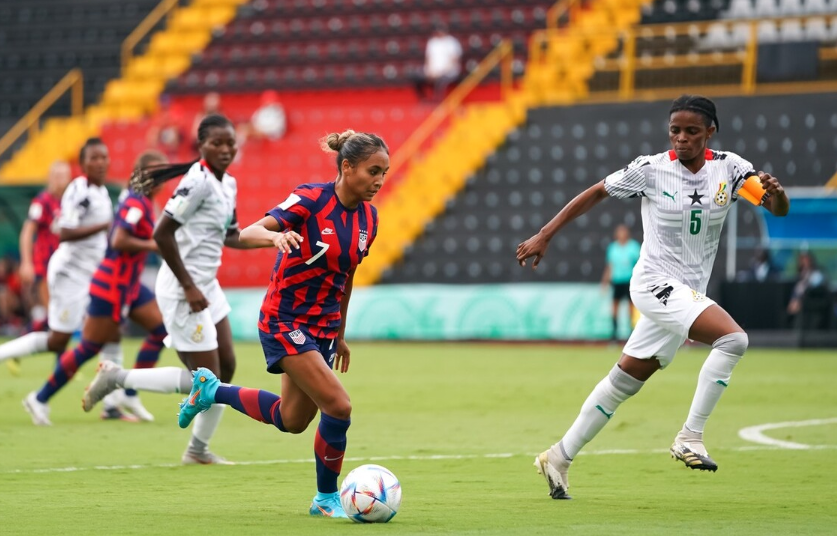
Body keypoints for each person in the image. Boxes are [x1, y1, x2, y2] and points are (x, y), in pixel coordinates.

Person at [516, 95, 789, 500]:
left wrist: (776, 192)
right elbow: (595, 192)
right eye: (675, 130)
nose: (681, 138)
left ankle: (559, 456)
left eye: (691, 131)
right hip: (654, 283)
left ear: (710, 132)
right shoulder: (651, 169)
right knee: (734, 339)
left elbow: (776, 209)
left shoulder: (730, 169)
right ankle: (690, 436)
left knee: (625, 380)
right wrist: (545, 234)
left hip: (688, 292)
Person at [176, 129, 384, 518]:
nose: (379, 181)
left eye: (384, 174)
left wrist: (339, 334)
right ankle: (325, 499)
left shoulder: (369, 220)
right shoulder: (310, 199)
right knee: (338, 406)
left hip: (322, 328)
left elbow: (348, 274)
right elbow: (248, 230)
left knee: (292, 420)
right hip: (284, 319)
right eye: (373, 171)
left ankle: (212, 389)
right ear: (347, 166)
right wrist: (275, 238)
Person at [84, 114, 253, 465]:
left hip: (207, 285)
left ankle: (197, 450)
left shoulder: (229, 183)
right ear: (201, 146)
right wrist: (189, 286)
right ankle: (117, 377)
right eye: (217, 143)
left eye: (230, 143)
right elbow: (162, 233)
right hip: (182, 288)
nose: (225, 149)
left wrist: (274, 238)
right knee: (207, 379)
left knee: (228, 368)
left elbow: (231, 234)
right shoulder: (197, 183)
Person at [23, 150, 170, 425]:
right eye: (156, 173)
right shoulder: (136, 203)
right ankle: (39, 398)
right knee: (89, 347)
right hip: (112, 284)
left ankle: (128, 393)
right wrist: (154, 245)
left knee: (161, 328)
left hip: (129, 285)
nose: (162, 179)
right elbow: (117, 239)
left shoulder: (143, 201)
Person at [0, 139, 125, 416]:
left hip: (91, 274)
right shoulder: (65, 196)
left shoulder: (100, 192)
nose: (102, 162)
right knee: (58, 337)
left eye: (105, 157)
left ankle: (113, 403)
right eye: (95, 158)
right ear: (82, 164)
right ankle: (34, 388)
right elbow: (56, 232)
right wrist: (28, 262)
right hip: (66, 273)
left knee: (112, 329)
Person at [6, 161, 71, 375]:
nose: (62, 179)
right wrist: (26, 262)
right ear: (50, 178)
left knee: (57, 316)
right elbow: (27, 231)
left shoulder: (71, 202)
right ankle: (61, 368)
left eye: (65, 175)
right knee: (57, 316)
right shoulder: (43, 201)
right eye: (58, 175)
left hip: (66, 268)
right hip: (46, 267)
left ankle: (17, 346)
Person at [601, 224, 640, 341]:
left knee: (631, 307)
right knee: (614, 307)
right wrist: (605, 281)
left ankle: (632, 332)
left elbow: (639, 264)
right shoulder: (613, 248)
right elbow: (609, 266)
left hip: (629, 281)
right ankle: (614, 333)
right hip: (617, 281)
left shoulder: (633, 247)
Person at [413, 24, 462, 101]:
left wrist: (441, 72)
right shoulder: (432, 42)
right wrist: (429, 71)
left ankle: (438, 101)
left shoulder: (452, 42)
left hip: (448, 71)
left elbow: (454, 60)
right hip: (433, 71)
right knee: (416, 76)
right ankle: (424, 99)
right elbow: (428, 59)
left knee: (441, 80)